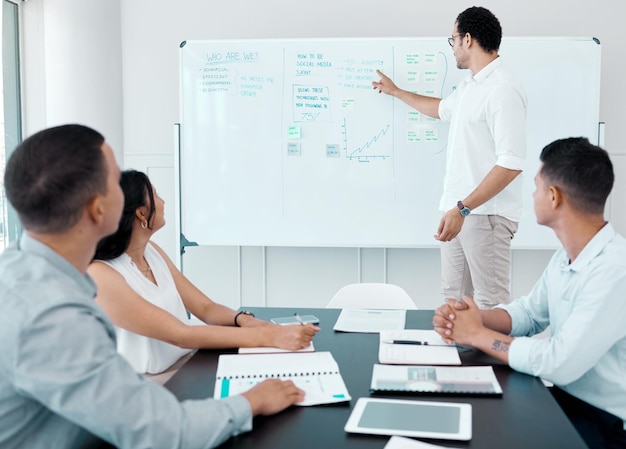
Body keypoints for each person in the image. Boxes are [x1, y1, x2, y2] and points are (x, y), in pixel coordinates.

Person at [0, 124, 305, 449]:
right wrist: (254, 400)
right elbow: (165, 432)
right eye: (115, 177)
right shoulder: (53, 318)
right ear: (98, 208)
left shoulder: (20, 270)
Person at [433, 137, 626, 449]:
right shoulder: (568, 256)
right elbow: (529, 314)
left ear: (553, 196)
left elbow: (559, 361)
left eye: (536, 187)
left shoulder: (615, 271)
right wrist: (473, 317)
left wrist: (476, 335)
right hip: (566, 402)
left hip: (606, 424)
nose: (532, 194)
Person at [88, 169, 319, 374]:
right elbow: (180, 334)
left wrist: (247, 321)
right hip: (149, 385)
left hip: (186, 367)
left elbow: (206, 309)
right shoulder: (101, 275)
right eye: (156, 195)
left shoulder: (151, 251)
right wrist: (270, 336)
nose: (163, 201)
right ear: (140, 213)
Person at [372, 6, 527, 308]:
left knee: (489, 305)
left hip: (484, 214)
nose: (453, 47)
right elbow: (440, 109)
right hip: (458, 212)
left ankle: (493, 357)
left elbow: (511, 164)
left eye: (453, 39)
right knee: (453, 302)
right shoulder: (471, 86)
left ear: (467, 39)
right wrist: (397, 92)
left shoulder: (503, 89)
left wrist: (463, 208)